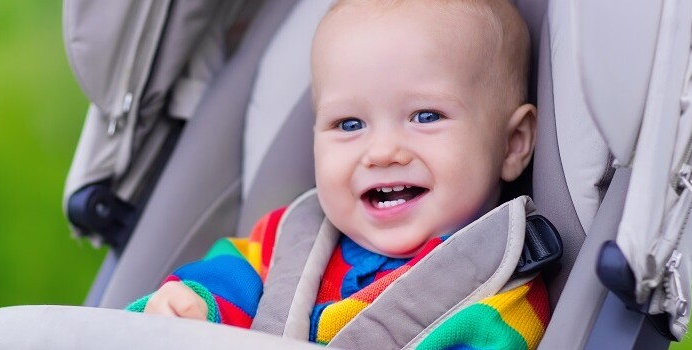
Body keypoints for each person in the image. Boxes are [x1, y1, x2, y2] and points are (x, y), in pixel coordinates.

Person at [127, 0, 546, 348]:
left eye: (425, 115)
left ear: (512, 143)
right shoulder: (286, 240)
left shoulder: (500, 298)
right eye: (349, 124)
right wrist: (192, 307)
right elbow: (223, 286)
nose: (381, 152)